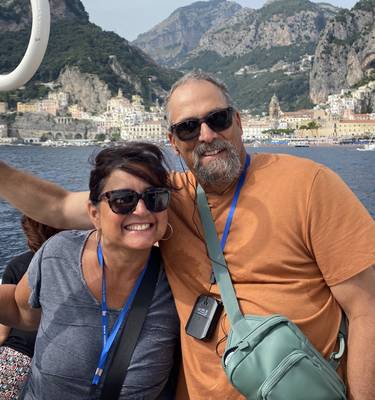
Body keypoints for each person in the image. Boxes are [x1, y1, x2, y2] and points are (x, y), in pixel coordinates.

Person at [0, 72, 374, 399]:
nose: (206, 135)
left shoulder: (309, 185)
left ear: (239, 121)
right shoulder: (161, 200)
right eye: (189, 128)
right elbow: (58, 205)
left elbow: (367, 308)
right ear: (174, 141)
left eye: (218, 119)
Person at [0, 143, 179, 399]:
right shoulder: (59, 254)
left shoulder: (178, 276)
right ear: (94, 213)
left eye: (155, 197)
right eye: (122, 200)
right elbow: (21, 310)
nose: (141, 210)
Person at [0, 216, 60, 400]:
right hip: (57, 359)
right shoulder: (78, 265)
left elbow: (2, 334)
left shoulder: (17, 265)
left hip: (18, 356)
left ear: (28, 234)